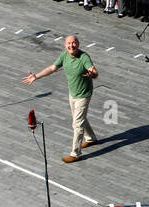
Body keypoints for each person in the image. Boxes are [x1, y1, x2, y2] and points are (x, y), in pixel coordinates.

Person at [22, 35, 98, 163]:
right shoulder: (64, 56)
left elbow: (94, 71)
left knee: (77, 124)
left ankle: (75, 153)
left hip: (84, 95)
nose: (71, 45)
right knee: (78, 118)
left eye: (74, 43)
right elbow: (52, 68)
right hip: (73, 93)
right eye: (68, 43)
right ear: (65, 45)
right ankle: (90, 138)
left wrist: (93, 74)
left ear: (78, 44)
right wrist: (36, 76)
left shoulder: (84, 57)